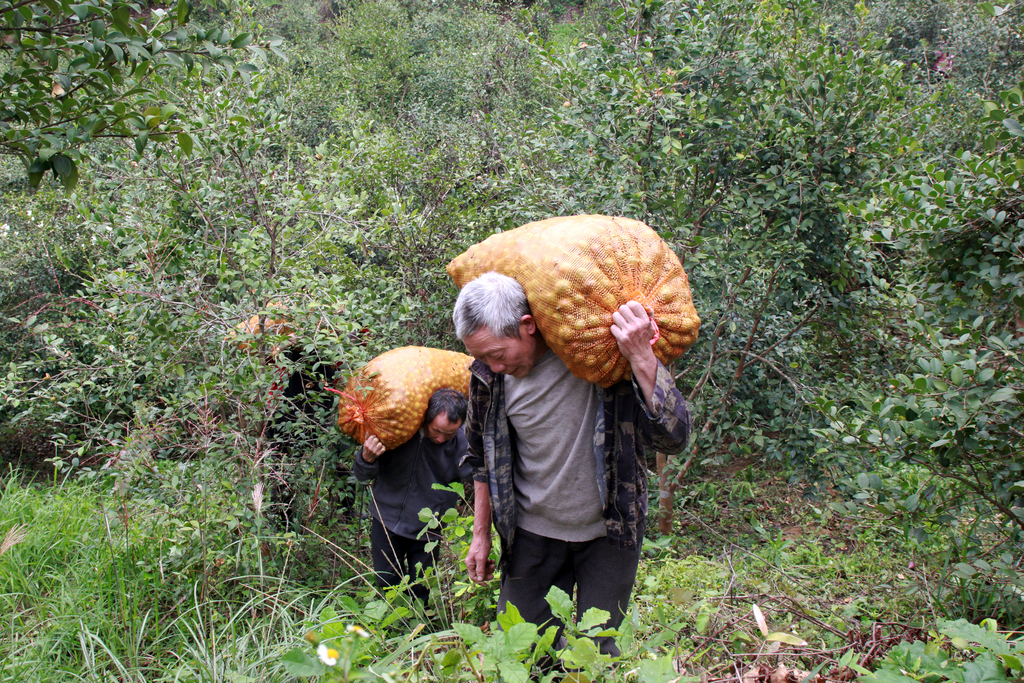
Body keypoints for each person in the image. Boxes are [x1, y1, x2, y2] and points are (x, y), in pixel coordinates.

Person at [453, 272, 691, 656]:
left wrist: (641, 355)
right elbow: (480, 455)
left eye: (497, 355)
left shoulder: (600, 357)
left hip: (608, 533)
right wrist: (480, 535)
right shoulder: (489, 379)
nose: (492, 366)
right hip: (530, 534)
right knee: (521, 652)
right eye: (481, 357)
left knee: (596, 655)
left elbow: (674, 437)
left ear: (527, 326)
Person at [352, 388, 471, 603]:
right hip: (386, 517)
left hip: (428, 525)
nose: (441, 439)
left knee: (422, 586)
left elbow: (474, 474)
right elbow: (361, 475)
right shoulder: (398, 430)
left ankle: (420, 628)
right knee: (386, 580)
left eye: (449, 434)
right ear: (426, 417)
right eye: (437, 430)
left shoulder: (460, 441)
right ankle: (392, 626)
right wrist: (366, 458)